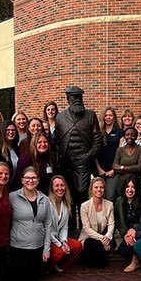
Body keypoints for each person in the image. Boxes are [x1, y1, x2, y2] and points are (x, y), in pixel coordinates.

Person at [55, 86, 102, 228]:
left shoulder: (90, 115)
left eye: (79, 97)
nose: (76, 100)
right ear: (67, 99)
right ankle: (68, 228)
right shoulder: (60, 117)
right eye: (73, 97)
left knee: (82, 194)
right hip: (66, 163)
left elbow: (97, 141)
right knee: (67, 196)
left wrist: (87, 157)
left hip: (83, 162)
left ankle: (84, 227)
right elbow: (57, 142)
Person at [9, 166, 51, 281]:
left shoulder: (45, 199)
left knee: (35, 280)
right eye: (27, 178)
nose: (30, 181)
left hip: (38, 247)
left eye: (34, 178)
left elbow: (48, 225)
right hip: (18, 247)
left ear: (38, 180)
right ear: (22, 180)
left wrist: (46, 249)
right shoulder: (12, 197)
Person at [79, 177, 116, 268]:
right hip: (89, 238)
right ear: (91, 189)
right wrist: (102, 239)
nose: (99, 189)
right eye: (96, 187)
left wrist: (107, 237)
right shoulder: (84, 206)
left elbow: (111, 224)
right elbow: (86, 229)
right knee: (92, 245)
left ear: (104, 189)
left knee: (113, 243)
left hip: (104, 237)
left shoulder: (109, 205)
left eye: (101, 187)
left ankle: (98, 256)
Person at [48, 175, 82, 272]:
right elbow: (47, 229)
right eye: (57, 186)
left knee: (77, 245)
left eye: (62, 185)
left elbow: (64, 227)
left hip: (59, 239)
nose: (60, 188)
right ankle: (48, 267)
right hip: (49, 239)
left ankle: (61, 266)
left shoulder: (66, 204)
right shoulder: (47, 203)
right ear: (52, 188)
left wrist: (64, 242)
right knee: (59, 253)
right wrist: (60, 245)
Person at [114, 176, 141, 272]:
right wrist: (125, 234)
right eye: (128, 186)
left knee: (134, 244)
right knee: (123, 250)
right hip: (126, 233)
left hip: (139, 232)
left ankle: (136, 261)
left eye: (133, 187)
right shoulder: (119, 201)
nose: (130, 190)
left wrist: (134, 233)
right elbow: (117, 221)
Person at [96, 106, 123, 201]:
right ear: (103, 117)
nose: (108, 117)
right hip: (100, 170)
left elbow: (121, 153)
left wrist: (114, 170)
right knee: (99, 196)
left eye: (111, 115)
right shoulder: (98, 132)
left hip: (113, 171)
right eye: (106, 115)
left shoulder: (119, 132)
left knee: (110, 196)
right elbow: (95, 152)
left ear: (114, 117)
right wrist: (98, 169)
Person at [112, 126, 141, 197]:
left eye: (133, 135)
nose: (130, 137)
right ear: (124, 136)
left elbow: (140, 167)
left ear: (136, 137)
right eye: (127, 135)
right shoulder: (120, 150)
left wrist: (122, 167)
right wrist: (133, 169)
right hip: (122, 182)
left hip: (136, 182)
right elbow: (115, 167)